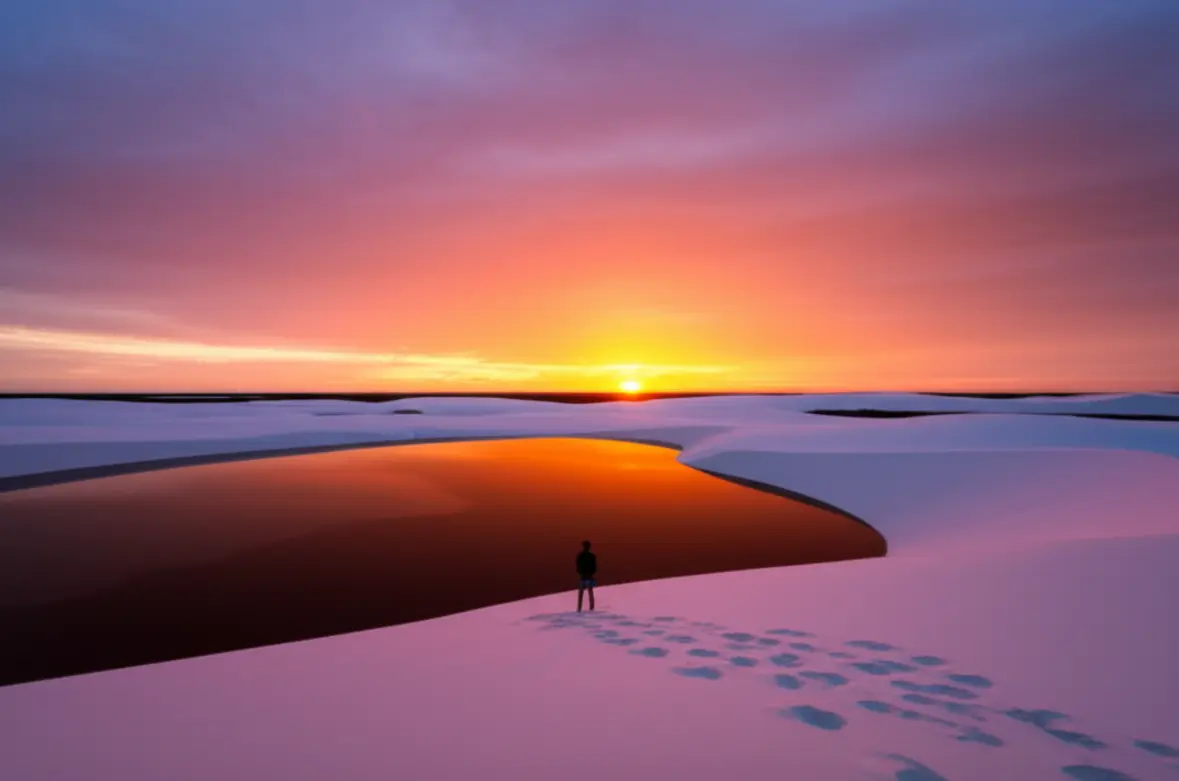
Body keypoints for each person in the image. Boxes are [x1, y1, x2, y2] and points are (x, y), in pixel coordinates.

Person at [576, 540, 597, 612]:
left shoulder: (580, 555)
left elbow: (577, 566)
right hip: (589, 577)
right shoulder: (592, 556)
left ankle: (579, 609)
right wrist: (590, 574)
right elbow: (594, 568)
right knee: (590, 593)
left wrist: (581, 573)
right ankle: (591, 608)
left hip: (583, 577)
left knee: (581, 594)